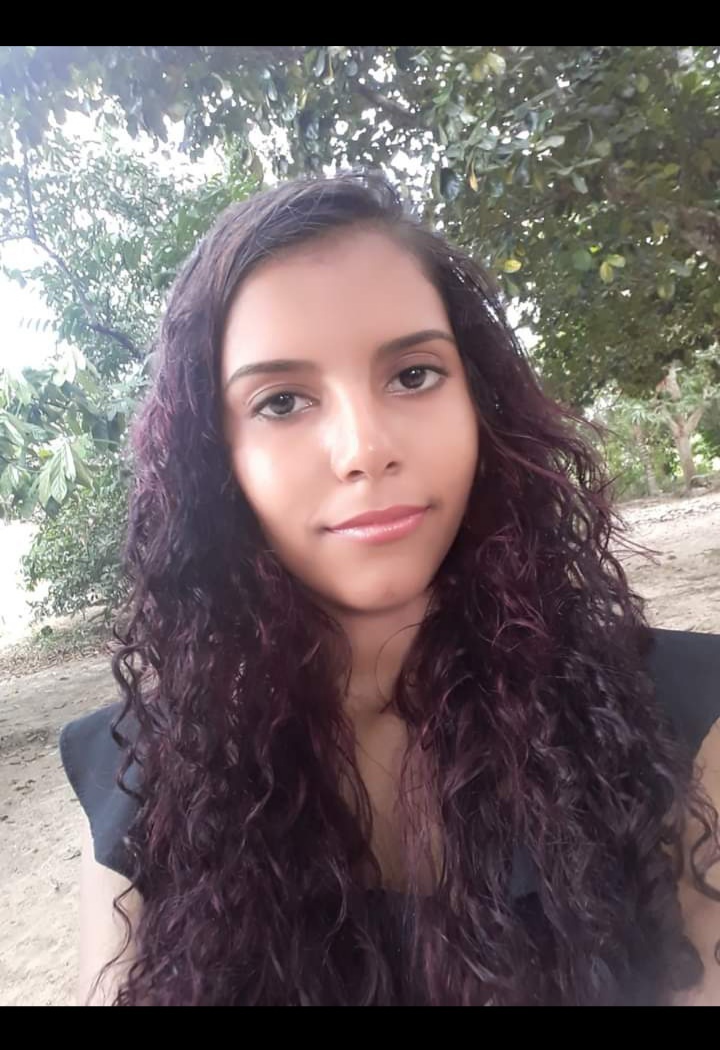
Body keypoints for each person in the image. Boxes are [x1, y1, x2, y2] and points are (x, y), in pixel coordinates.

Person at [60, 171, 720, 1007]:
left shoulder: (679, 718)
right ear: (215, 460)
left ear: (480, 402)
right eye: (282, 401)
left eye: (413, 375)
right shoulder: (143, 774)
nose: (365, 448)